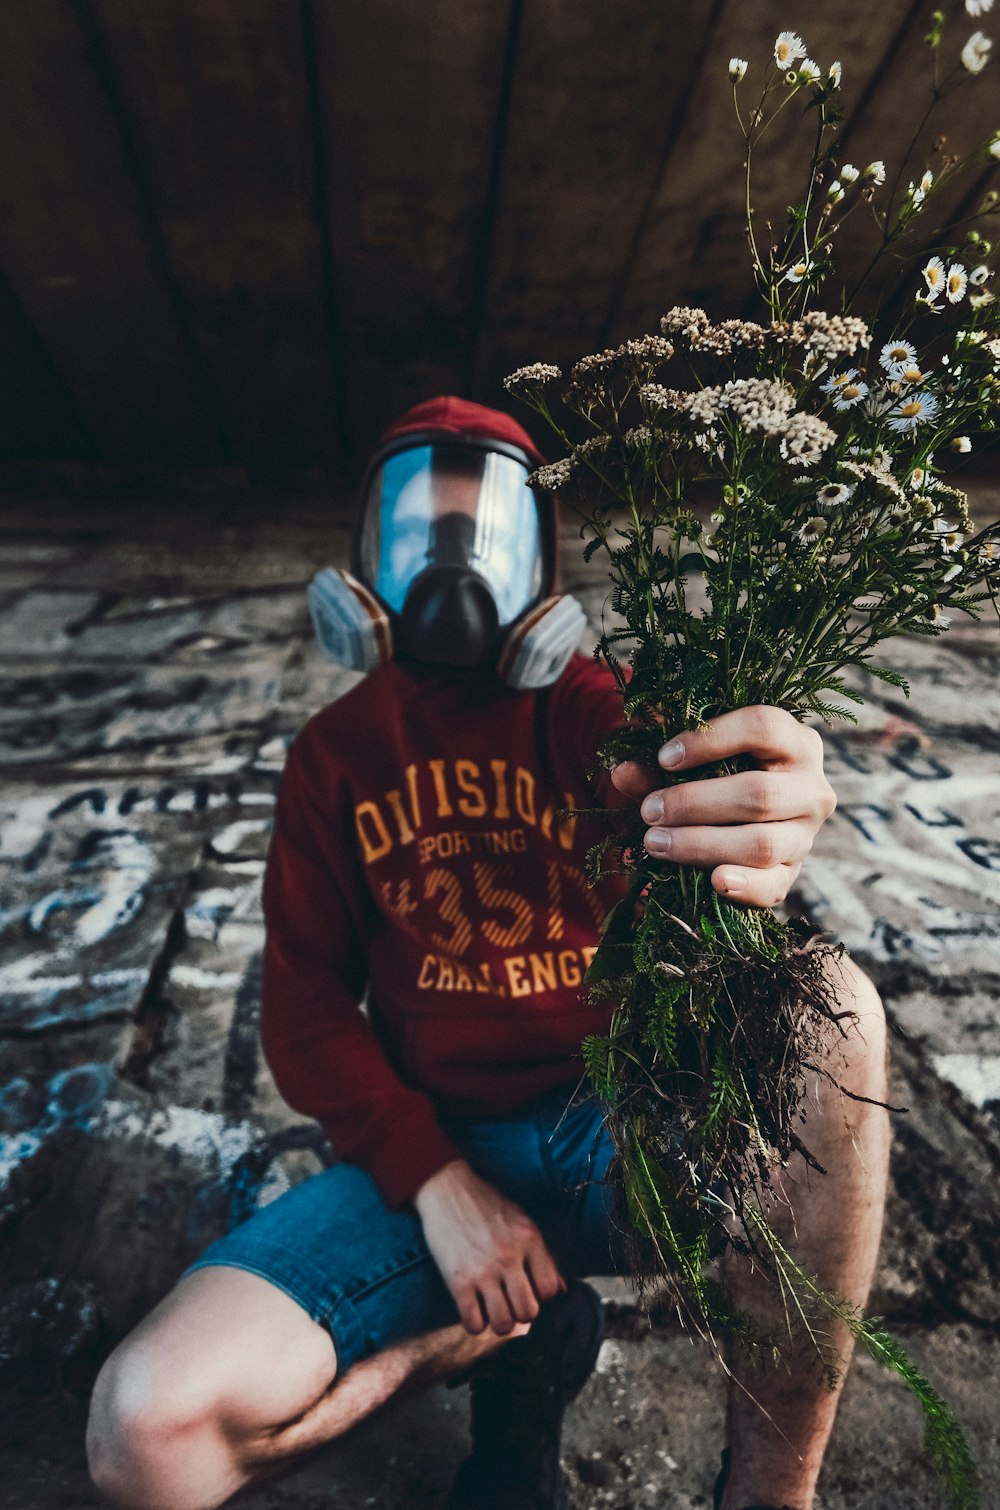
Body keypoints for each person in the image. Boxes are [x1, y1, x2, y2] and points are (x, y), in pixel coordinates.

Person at [85, 397, 888, 1510]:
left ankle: (769, 1497)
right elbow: (306, 1005)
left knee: (834, 1008)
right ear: (367, 562)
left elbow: (660, 763)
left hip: (625, 1132)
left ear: (540, 567)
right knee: (144, 1436)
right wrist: (434, 1179)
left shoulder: (586, 709)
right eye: (419, 542)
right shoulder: (335, 757)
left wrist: (750, 783)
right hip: (438, 1152)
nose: (451, 572)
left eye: (487, 540)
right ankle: (509, 1331)